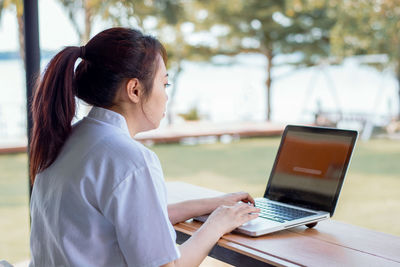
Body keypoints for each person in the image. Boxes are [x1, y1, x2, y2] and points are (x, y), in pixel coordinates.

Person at [29, 27, 259, 267]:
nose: (166, 96)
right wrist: (217, 224)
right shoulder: (129, 159)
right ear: (135, 90)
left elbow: (139, 221)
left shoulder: (70, 139)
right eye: (165, 84)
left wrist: (213, 204)